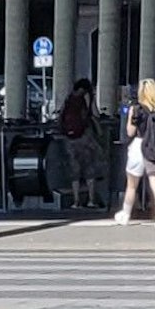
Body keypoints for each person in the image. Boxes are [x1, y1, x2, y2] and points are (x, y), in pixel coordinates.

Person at [116, 78, 155, 228]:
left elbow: (130, 131)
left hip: (139, 146)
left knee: (132, 185)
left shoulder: (136, 108)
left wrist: (129, 120)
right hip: (154, 147)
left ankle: (125, 214)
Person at [58, 78, 105, 211]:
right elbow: (94, 114)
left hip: (70, 139)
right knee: (89, 169)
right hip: (85, 137)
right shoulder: (87, 97)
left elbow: (61, 115)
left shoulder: (69, 99)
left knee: (74, 170)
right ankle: (90, 200)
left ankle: (76, 201)